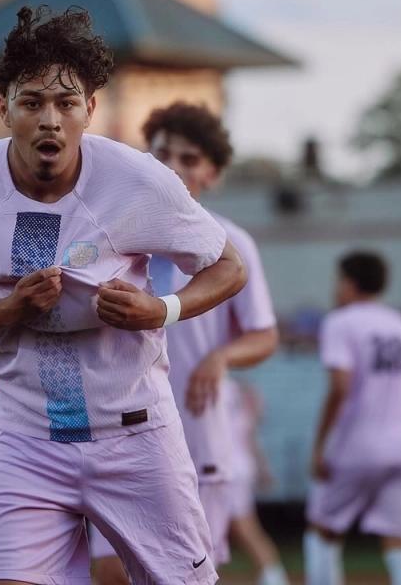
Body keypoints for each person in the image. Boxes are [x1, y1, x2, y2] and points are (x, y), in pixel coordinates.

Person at [0, 5, 247, 585]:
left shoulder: (139, 179)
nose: (50, 120)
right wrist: (9, 310)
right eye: (32, 102)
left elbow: (228, 266)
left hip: (135, 435)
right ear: (4, 109)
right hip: (25, 437)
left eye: (67, 104)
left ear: (89, 110)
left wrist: (160, 309)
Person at [89, 102, 288, 585]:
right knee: (109, 570)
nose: (173, 166)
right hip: (117, 421)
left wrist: (221, 357)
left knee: (184, 573)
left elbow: (265, 336)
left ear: (213, 172)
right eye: (162, 153)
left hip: (195, 427)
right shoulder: (112, 233)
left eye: (189, 157)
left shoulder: (229, 244)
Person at [305, 251, 401, 585]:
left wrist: (319, 446)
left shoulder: (341, 322)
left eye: (338, 281)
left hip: (356, 444)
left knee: (323, 532)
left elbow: (340, 388)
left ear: (349, 282)